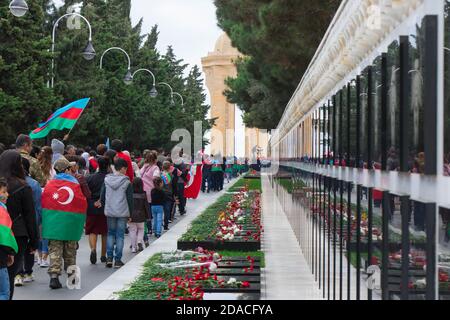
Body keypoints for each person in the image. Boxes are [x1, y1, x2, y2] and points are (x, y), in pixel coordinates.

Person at [42, 158, 87, 289]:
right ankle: (72, 278)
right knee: (70, 251)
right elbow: (82, 203)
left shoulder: (50, 185)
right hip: (70, 223)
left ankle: (54, 277)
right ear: (67, 170)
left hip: (54, 224)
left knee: (55, 250)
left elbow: (44, 203)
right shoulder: (75, 184)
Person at [0, 150, 38, 299]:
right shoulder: (23, 186)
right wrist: (34, 241)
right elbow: (30, 215)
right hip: (17, 234)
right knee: (9, 274)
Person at [98, 158, 133, 268]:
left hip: (110, 211)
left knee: (110, 233)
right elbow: (130, 200)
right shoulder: (127, 182)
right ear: (122, 168)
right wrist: (130, 214)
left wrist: (104, 205)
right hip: (122, 212)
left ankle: (109, 258)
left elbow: (102, 196)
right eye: (126, 168)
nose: (126, 171)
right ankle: (118, 260)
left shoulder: (107, 180)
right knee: (120, 236)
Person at [16, 158, 43, 285]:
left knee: (17, 247)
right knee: (30, 246)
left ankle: (18, 273)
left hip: (16, 220)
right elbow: (38, 205)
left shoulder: (11, 183)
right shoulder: (34, 184)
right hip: (31, 218)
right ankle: (28, 272)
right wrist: (38, 221)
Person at [85, 157, 108, 264]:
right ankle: (103, 255)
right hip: (105, 206)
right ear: (108, 166)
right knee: (104, 232)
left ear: (97, 165)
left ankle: (93, 249)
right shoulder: (109, 178)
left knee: (92, 231)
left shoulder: (90, 178)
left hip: (92, 206)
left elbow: (86, 192)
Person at [0, 178, 18, 300]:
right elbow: (6, 236)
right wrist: (11, 253)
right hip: (0, 258)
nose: (7, 194)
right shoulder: (2, 211)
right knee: (3, 293)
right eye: (4, 191)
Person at [140, 151, 160, 246]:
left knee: (145, 210)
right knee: (149, 211)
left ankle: (147, 229)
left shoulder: (144, 166)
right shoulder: (155, 167)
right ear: (155, 159)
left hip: (142, 191)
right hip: (151, 192)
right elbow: (156, 177)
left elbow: (139, 174)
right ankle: (150, 228)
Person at [129, 178, 150, 253]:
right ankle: (139, 242)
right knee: (141, 229)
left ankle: (133, 248)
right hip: (141, 214)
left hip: (131, 215)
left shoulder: (130, 194)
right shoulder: (143, 194)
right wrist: (148, 216)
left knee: (132, 231)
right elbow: (146, 206)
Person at [161, 161, 175, 230]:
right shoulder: (171, 175)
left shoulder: (160, 174)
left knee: (160, 210)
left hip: (161, 193)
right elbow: (173, 185)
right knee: (167, 210)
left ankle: (158, 224)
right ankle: (166, 225)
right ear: (169, 167)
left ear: (162, 167)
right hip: (169, 194)